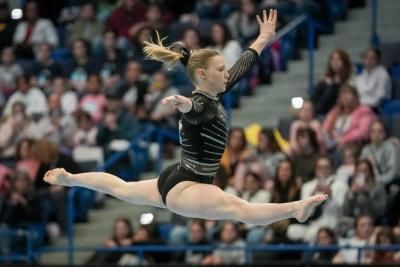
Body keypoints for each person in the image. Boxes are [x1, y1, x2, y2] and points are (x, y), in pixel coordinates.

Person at [44, 10, 327, 226]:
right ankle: (295, 209)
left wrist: (263, 39)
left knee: (122, 187)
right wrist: (184, 103)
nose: (226, 72)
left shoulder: (216, 91)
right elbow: (196, 108)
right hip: (188, 186)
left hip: (178, 177)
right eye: (219, 69)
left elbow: (242, 66)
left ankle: (71, 179)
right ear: (202, 75)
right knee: (240, 210)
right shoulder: (202, 101)